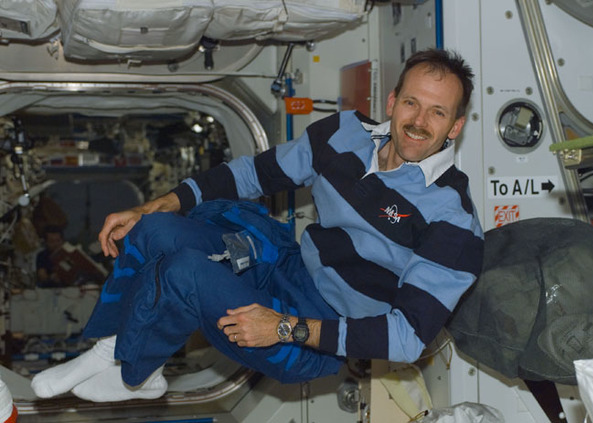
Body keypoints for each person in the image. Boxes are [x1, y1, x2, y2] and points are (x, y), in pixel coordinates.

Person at [31, 48, 484, 402]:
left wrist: (285, 328)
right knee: (152, 230)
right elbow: (254, 174)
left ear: (455, 126)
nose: (419, 122)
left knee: (185, 271)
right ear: (393, 101)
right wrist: (158, 202)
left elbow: (407, 338)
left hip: (315, 332)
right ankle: (135, 363)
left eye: (437, 113)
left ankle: (123, 366)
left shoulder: (453, 221)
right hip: (285, 265)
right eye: (411, 103)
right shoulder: (342, 134)